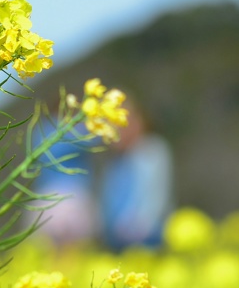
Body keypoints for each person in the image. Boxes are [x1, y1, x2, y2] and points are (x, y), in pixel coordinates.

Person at [99, 105, 173, 251]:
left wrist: (142, 227)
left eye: (119, 127)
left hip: (147, 236)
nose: (114, 134)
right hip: (116, 238)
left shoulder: (151, 150)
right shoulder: (115, 159)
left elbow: (157, 194)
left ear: (137, 123)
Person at [28, 114, 100, 246]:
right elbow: (94, 138)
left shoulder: (41, 131)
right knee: (75, 247)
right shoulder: (69, 131)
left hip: (46, 196)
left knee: (48, 248)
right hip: (72, 195)